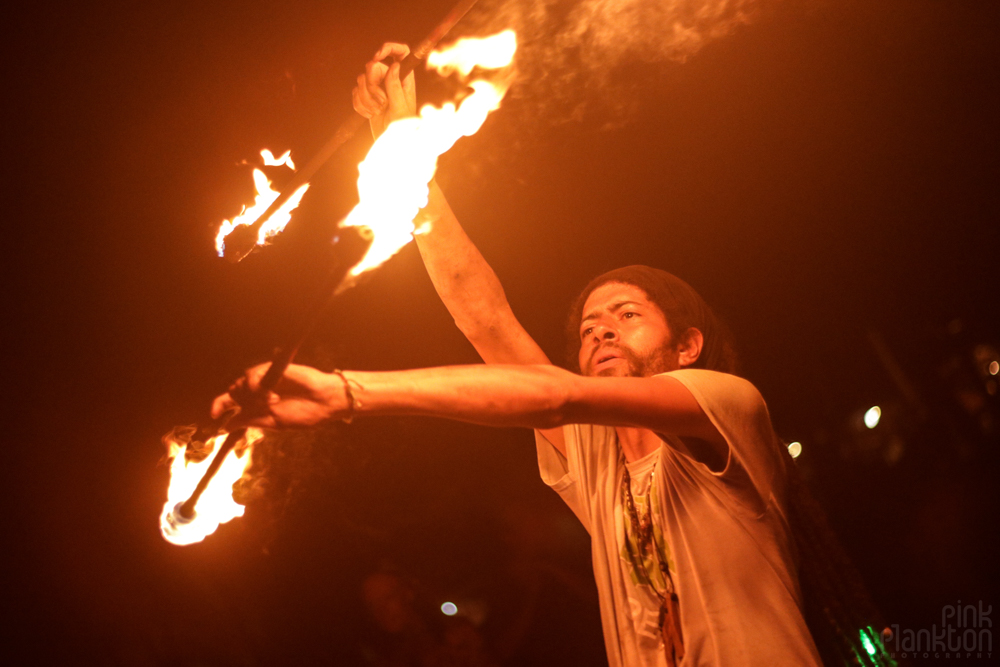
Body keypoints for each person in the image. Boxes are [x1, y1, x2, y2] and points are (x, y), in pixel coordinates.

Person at [213, 43, 824, 666]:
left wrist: (349, 394)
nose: (602, 332)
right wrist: (398, 143)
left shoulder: (726, 403)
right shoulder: (595, 459)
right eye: (589, 327)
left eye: (628, 316)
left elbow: (556, 394)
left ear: (688, 347)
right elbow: (484, 317)